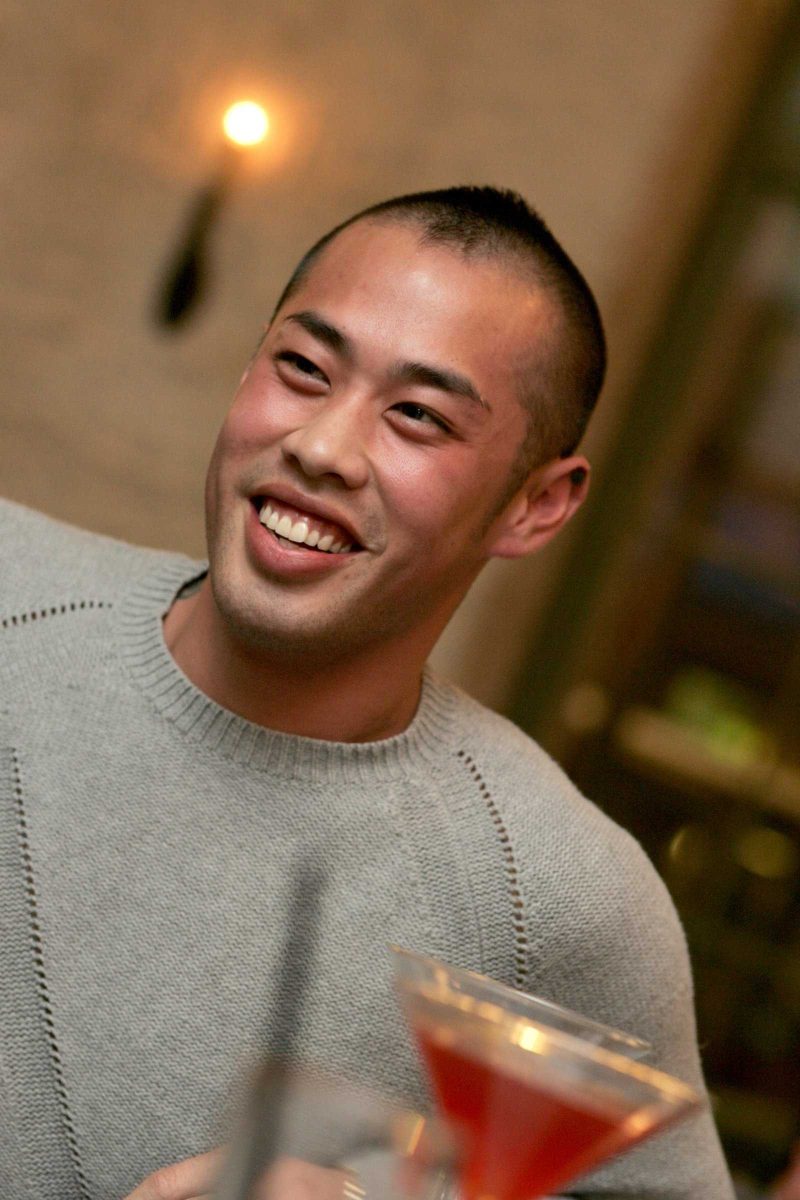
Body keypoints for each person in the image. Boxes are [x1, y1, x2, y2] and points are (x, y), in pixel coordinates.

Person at [0, 186, 734, 1199]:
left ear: (535, 504)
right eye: (302, 369)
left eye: (417, 417)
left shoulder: (550, 906)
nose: (321, 446)